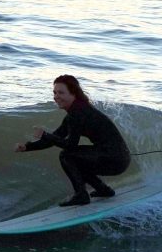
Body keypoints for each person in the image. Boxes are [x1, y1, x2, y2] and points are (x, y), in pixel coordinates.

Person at [15, 75, 131, 206]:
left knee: (67, 155)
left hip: (114, 158)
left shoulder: (79, 112)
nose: (56, 96)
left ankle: (81, 195)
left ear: (73, 93)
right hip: (119, 157)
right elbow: (56, 137)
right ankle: (103, 190)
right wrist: (27, 147)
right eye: (54, 92)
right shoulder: (75, 112)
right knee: (78, 158)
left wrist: (45, 135)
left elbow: (70, 145)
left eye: (61, 92)